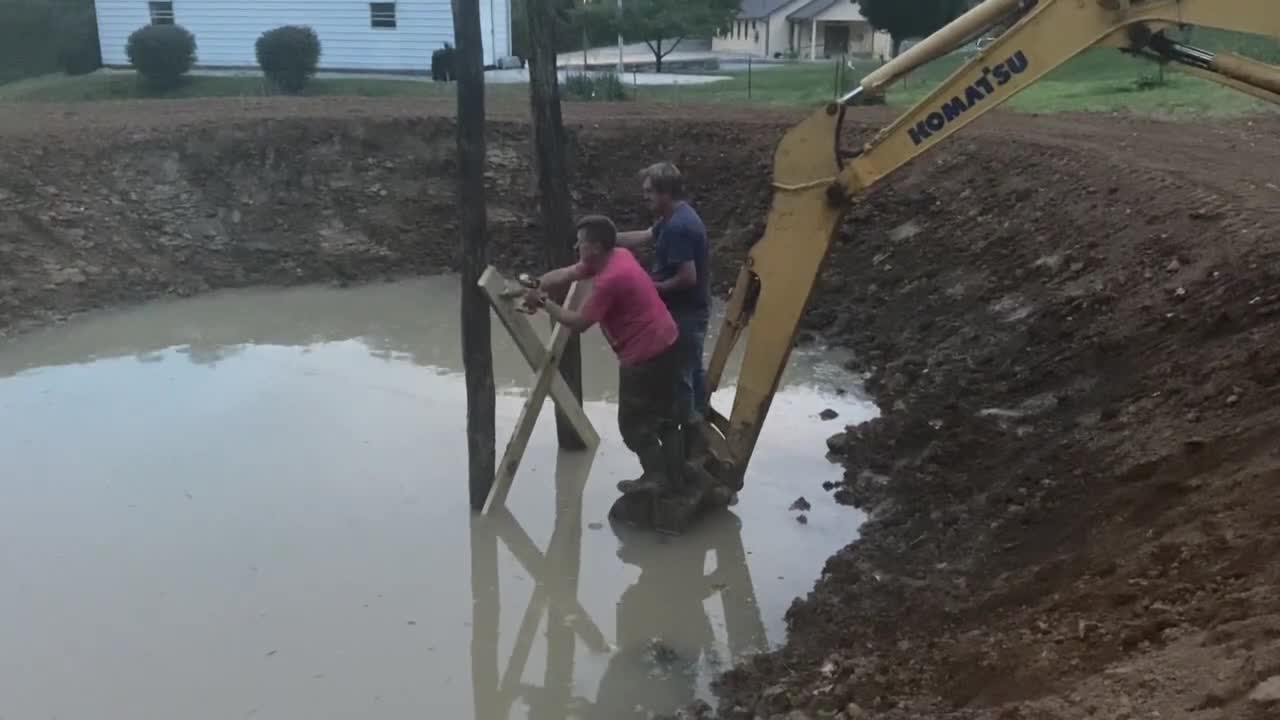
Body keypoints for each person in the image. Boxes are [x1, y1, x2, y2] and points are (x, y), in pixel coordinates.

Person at [524, 215, 685, 494]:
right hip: (668, 341)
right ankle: (677, 476)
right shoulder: (618, 255)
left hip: (643, 355)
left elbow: (579, 323)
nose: (577, 246)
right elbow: (567, 273)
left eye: (582, 242)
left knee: (633, 426)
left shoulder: (610, 280)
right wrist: (537, 284)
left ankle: (656, 479)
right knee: (667, 418)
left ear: (596, 247)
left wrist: (543, 303)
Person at [617, 162, 711, 426]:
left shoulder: (678, 228)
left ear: (666, 192)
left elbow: (687, 277)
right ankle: (695, 418)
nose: (644, 196)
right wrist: (607, 238)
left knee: (682, 373)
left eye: (649, 191)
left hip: (685, 311)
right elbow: (645, 236)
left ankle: (689, 428)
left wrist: (649, 288)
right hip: (689, 309)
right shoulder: (674, 216)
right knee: (691, 368)